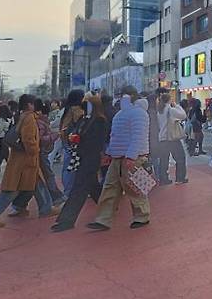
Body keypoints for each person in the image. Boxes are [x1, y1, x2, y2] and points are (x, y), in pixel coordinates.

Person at [0, 94, 56, 228]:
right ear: (29, 105)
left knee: (36, 183)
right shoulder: (29, 119)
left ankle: (45, 207)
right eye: (33, 103)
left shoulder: (22, 117)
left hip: (24, 161)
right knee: (12, 190)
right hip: (26, 161)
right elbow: (29, 140)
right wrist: (35, 150)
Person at [87, 86, 150, 231]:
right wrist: (110, 153)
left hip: (132, 157)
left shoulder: (138, 114)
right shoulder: (121, 114)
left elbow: (138, 137)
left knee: (135, 188)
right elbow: (114, 136)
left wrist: (131, 156)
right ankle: (103, 219)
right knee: (110, 187)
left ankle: (142, 216)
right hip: (119, 157)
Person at [52, 95, 108, 232]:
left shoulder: (100, 121)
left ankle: (66, 220)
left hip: (89, 158)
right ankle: (109, 208)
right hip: (84, 157)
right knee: (92, 187)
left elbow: (97, 141)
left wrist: (79, 139)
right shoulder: (87, 119)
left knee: (79, 190)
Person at [156, 92, 188, 185]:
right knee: (180, 158)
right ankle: (180, 178)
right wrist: (177, 106)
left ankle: (163, 179)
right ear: (169, 100)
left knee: (164, 160)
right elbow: (183, 115)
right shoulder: (170, 110)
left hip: (162, 138)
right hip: (172, 139)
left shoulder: (159, 111)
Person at [59, 90, 86, 196]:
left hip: (67, 142)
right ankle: (70, 191)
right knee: (73, 167)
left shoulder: (66, 110)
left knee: (68, 167)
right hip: (75, 142)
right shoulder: (78, 110)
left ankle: (68, 190)